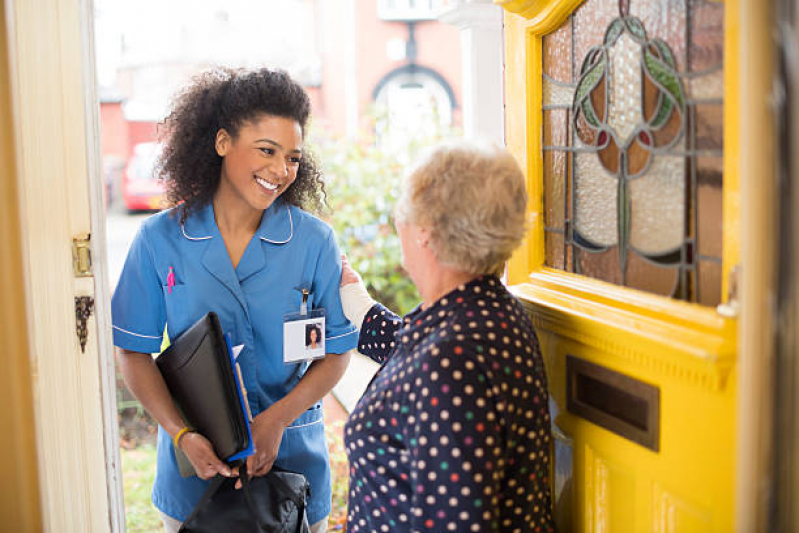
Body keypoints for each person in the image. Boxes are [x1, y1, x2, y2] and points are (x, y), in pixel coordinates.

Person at [112, 67, 357, 533]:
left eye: (292, 158)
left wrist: (278, 419)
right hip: (193, 485)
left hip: (294, 479)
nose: (281, 170)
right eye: (266, 150)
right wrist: (183, 436)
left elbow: (337, 352)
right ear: (223, 142)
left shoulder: (314, 242)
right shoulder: (160, 239)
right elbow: (134, 352)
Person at [339, 140, 556, 532]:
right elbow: (412, 352)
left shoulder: (451, 361)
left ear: (424, 230)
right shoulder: (486, 311)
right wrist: (355, 303)